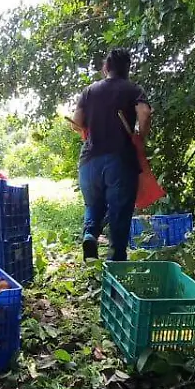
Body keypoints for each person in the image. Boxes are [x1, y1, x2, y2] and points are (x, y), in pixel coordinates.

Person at [72, 48, 152, 261]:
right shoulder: (132, 89)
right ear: (127, 69)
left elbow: (77, 122)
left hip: (89, 161)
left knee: (94, 204)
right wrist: (140, 136)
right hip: (119, 160)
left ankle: (90, 234)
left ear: (106, 67)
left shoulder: (89, 91)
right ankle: (115, 265)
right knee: (119, 213)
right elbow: (144, 113)